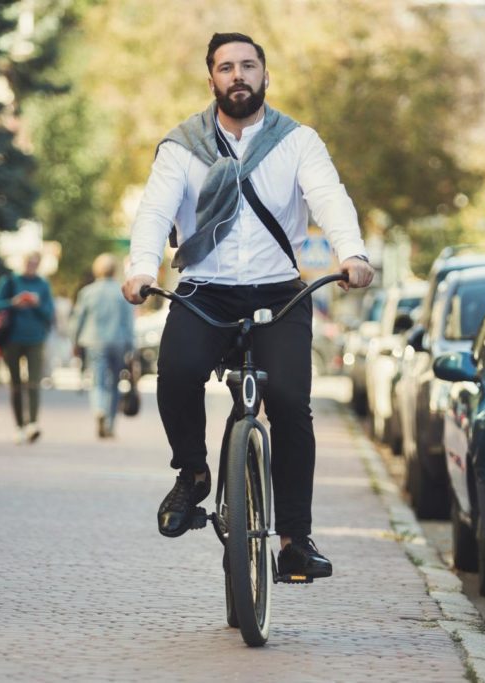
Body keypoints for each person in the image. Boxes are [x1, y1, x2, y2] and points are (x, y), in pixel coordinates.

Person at [122, 32, 374, 579]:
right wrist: (141, 268)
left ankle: (294, 539)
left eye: (248, 66)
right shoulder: (181, 146)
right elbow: (154, 212)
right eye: (226, 67)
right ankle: (192, 474)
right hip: (204, 288)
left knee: (289, 404)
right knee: (177, 372)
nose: (238, 75)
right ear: (210, 79)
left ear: (265, 75)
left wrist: (351, 253)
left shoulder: (297, 141)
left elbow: (329, 197)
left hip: (279, 291)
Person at [0, 252, 54, 444]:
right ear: (22, 262)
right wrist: (13, 303)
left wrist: (36, 304)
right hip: (12, 339)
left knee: (33, 382)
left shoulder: (42, 285)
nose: (31, 265)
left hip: (35, 338)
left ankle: (33, 423)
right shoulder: (9, 281)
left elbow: (49, 312)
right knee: (16, 384)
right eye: (28, 262)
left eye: (35, 263)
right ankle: (19, 426)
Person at [72, 253, 135, 439]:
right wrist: (132, 347)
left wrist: (75, 341)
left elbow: (78, 319)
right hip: (118, 341)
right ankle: (110, 423)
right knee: (115, 383)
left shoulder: (87, 292)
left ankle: (99, 409)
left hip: (94, 342)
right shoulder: (122, 291)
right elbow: (129, 322)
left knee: (98, 380)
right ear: (114, 270)